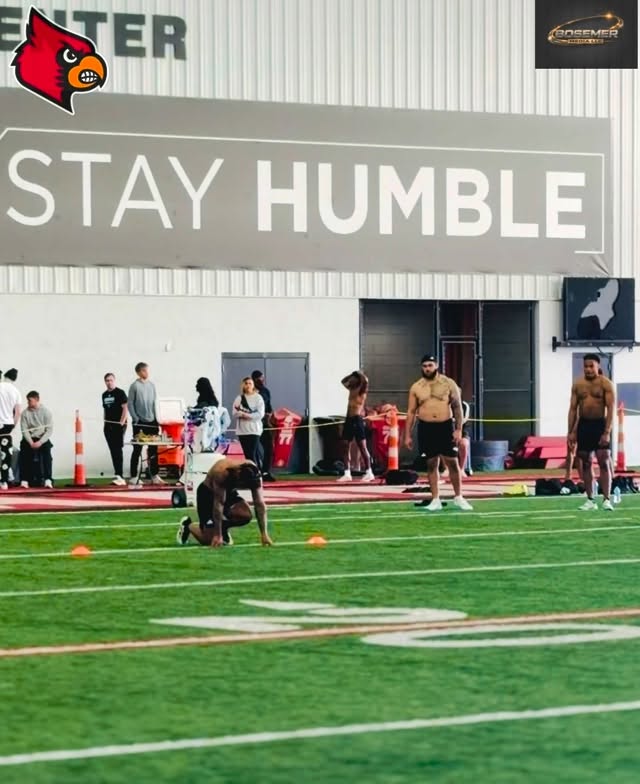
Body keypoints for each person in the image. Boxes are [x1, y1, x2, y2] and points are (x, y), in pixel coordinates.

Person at [405, 354, 473, 511]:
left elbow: (457, 407)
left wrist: (458, 429)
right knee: (431, 463)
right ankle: (435, 499)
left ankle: (459, 497)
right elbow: (411, 412)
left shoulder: (448, 383)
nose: (427, 368)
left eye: (430, 365)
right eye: (424, 366)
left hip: (445, 426)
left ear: (436, 366)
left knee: (452, 463)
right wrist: (407, 435)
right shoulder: (416, 387)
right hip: (426, 427)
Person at [176, 453, 272, 548]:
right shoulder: (221, 473)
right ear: (238, 475)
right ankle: (188, 525)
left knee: (245, 515)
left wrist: (264, 534)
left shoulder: (254, 475)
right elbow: (219, 504)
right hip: (208, 493)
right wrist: (218, 535)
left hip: (229, 491)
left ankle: (222, 530)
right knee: (209, 540)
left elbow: (259, 504)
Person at [567, 353, 616, 510]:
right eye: (586, 366)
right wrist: (571, 432)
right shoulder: (578, 385)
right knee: (586, 462)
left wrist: (607, 432)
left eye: (591, 366)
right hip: (584, 425)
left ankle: (607, 499)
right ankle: (590, 500)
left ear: (598, 366)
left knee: (604, 460)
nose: (588, 369)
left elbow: (611, 410)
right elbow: (573, 409)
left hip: (600, 425)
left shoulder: (606, 384)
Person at [128, 362, 164, 486]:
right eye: (144, 371)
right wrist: (135, 418)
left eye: (147, 370)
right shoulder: (134, 386)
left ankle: (154, 475)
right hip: (139, 422)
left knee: (154, 449)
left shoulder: (152, 385)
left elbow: (155, 403)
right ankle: (133, 476)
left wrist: (157, 418)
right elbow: (130, 404)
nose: (146, 373)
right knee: (137, 449)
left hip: (152, 421)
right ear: (138, 372)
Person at [337, 370, 374, 482]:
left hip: (357, 419)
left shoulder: (362, 390)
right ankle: (347, 473)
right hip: (349, 419)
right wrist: (352, 374)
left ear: (357, 380)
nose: (350, 380)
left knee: (362, 446)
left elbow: (366, 381)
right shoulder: (351, 389)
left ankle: (369, 472)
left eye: (353, 379)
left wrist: (360, 374)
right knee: (345, 445)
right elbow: (343, 381)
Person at [19, 391, 54, 489]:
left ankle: (48, 479)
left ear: (37, 400)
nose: (28, 403)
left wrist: (40, 442)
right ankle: (24, 480)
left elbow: (49, 430)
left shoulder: (46, 412)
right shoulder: (25, 413)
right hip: (29, 439)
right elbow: (24, 430)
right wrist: (31, 442)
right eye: (28, 401)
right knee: (24, 453)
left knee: (47, 453)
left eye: (30, 401)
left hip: (42, 438)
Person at [188, 377, 230, 452]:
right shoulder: (210, 398)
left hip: (206, 425)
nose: (196, 386)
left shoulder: (204, 400)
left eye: (197, 384)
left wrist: (192, 410)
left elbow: (202, 408)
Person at [102, 373, 128, 486]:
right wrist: (105, 422)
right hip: (108, 426)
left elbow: (125, 408)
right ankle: (117, 474)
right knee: (113, 450)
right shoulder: (104, 395)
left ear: (114, 380)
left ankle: (120, 475)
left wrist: (121, 422)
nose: (109, 382)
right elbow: (105, 410)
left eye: (111, 380)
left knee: (117, 449)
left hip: (118, 425)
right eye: (107, 380)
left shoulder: (120, 393)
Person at [232, 377, 265, 467]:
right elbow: (234, 413)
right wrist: (241, 414)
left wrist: (248, 416)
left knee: (252, 454)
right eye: (246, 383)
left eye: (250, 383)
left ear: (253, 385)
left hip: (254, 430)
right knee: (247, 455)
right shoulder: (239, 398)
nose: (248, 385)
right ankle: (251, 473)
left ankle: (256, 473)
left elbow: (260, 414)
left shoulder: (258, 398)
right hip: (242, 431)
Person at [251, 370, 276, 482]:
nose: (262, 380)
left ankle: (266, 471)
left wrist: (269, 416)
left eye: (262, 378)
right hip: (253, 424)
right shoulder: (250, 392)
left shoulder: (266, 391)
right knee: (254, 449)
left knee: (269, 447)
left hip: (265, 423)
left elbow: (269, 406)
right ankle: (256, 472)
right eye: (259, 379)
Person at [0, 368, 21, 490]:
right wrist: (13, 425)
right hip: (7, 426)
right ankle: (4, 481)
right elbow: (17, 413)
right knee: (6, 454)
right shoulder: (16, 391)